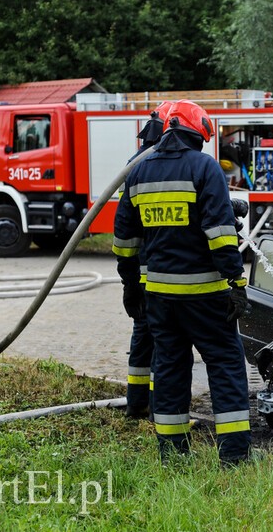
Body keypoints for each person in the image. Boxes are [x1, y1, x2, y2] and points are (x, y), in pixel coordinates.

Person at [113, 99, 251, 464]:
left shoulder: (138, 172)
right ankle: (235, 456)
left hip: (159, 297)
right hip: (206, 296)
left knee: (170, 369)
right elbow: (221, 235)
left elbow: (124, 241)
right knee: (225, 364)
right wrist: (236, 283)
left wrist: (131, 287)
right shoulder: (205, 167)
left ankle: (173, 454)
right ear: (196, 135)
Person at [114, 101, 172, 419]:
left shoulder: (134, 164)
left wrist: (129, 283)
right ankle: (159, 407)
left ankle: (136, 404)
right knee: (165, 342)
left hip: (141, 269)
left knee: (143, 336)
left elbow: (125, 229)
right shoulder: (164, 162)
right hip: (162, 270)